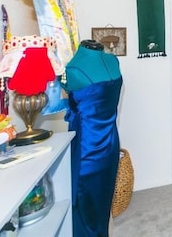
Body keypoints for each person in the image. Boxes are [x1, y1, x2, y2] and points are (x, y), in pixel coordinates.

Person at [62, 39, 122, 237]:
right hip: (107, 142)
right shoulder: (108, 62)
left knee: (90, 200)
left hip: (88, 145)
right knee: (90, 200)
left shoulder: (74, 68)